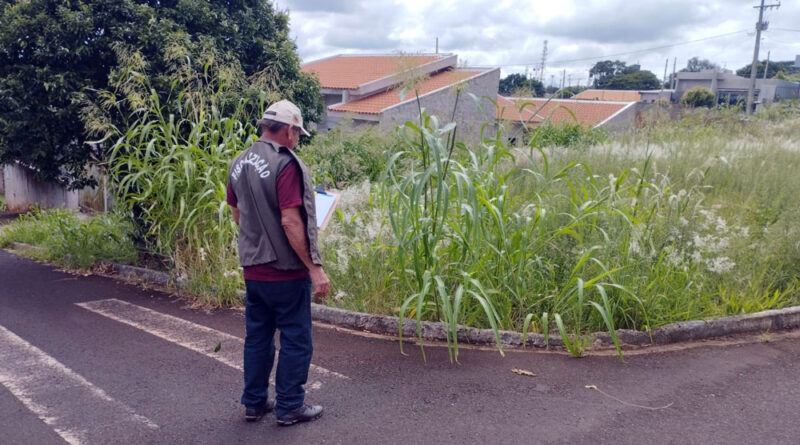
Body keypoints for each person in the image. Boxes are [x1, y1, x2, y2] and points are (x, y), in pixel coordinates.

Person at [226, 99, 330, 426]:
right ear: (288, 130)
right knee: (296, 339)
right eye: (297, 133)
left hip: (253, 269)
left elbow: (238, 214)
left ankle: (254, 403)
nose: (297, 139)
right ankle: (289, 407)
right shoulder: (285, 163)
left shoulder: (238, 162)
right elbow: (290, 221)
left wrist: (261, 233)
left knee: (257, 337)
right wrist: (314, 269)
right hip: (285, 272)